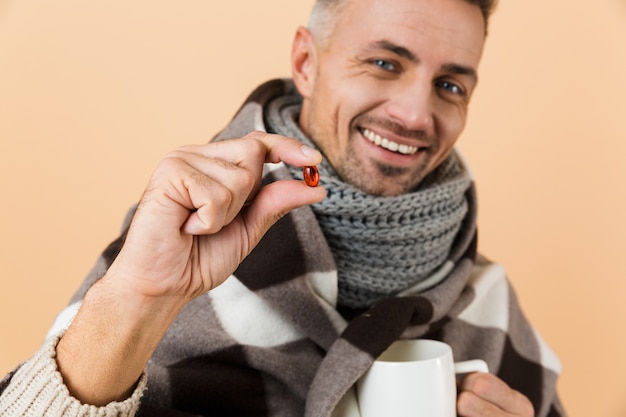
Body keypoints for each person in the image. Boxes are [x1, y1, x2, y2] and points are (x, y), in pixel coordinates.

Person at [0, 0, 567, 415]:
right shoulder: (176, 244)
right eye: (385, 64)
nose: (416, 115)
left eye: (449, 85)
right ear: (305, 62)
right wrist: (138, 298)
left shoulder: (488, 301)